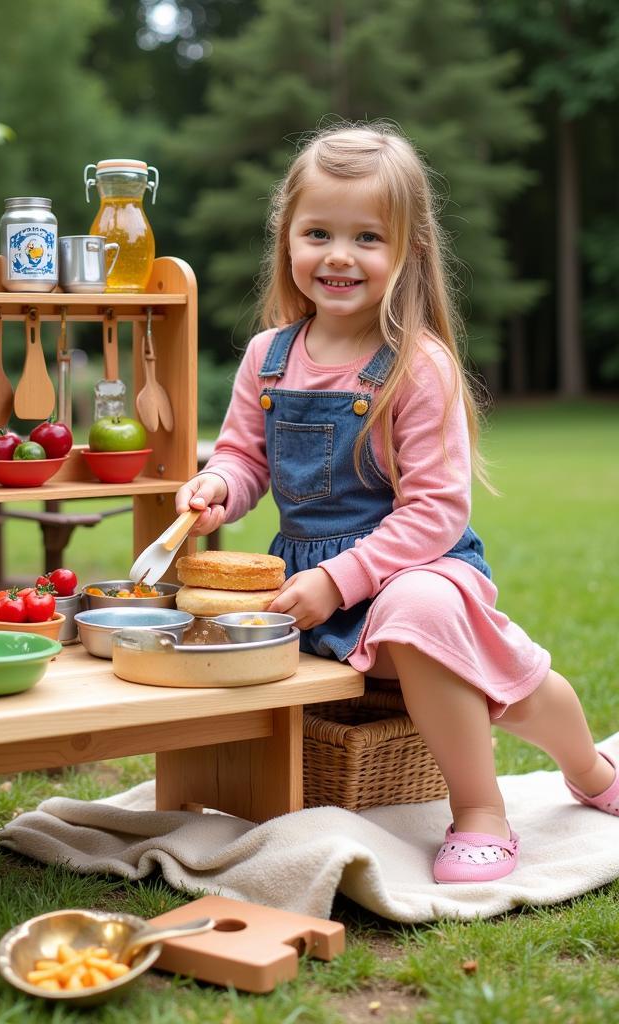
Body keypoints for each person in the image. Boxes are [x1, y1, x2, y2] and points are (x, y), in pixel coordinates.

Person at [175, 123, 618, 883]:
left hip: (420, 568)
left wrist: (342, 579)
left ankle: (501, 802)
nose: (339, 256)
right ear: (287, 238)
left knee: (475, 660)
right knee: (488, 676)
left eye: (366, 237)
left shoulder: (418, 367)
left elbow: (435, 514)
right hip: (309, 582)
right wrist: (218, 487)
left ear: (407, 251)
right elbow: (246, 457)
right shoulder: (267, 357)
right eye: (318, 232)